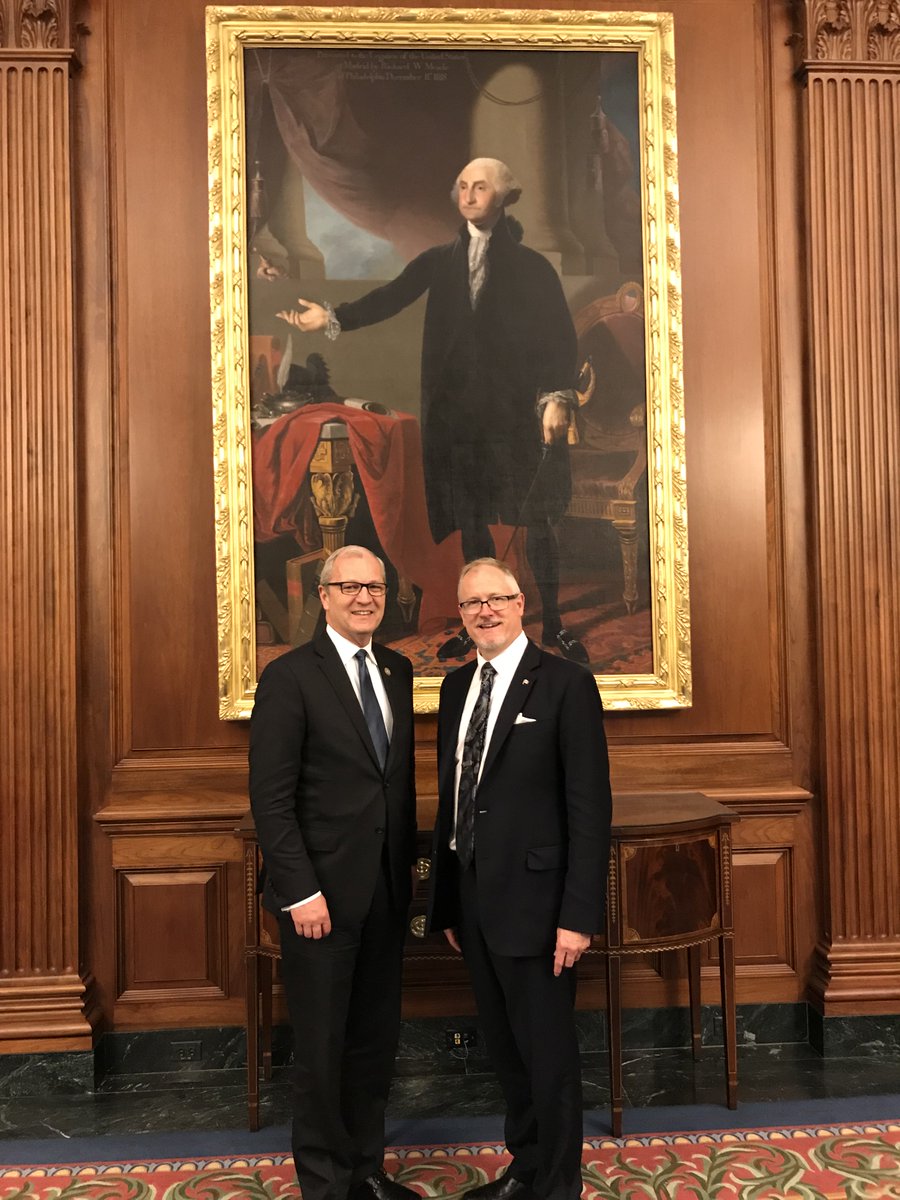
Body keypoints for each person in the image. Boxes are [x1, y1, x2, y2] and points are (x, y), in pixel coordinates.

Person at [277, 157, 589, 665]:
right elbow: (391, 296)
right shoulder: (440, 260)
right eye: (462, 186)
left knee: (537, 519)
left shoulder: (533, 268)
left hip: (516, 417)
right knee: (472, 523)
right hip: (459, 420)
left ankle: (553, 622)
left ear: (505, 196)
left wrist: (557, 397)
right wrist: (331, 317)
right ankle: (478, 622)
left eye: (480, 187)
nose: (468, 195)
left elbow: (559, 337)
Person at [426, 557, 612, 1200]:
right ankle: (526, 1169)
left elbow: (589, 808)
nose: (485, 612)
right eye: (471, 603)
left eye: (496, 599)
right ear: (461, 614)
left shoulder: (565, 684)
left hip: (541, 906)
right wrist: (449, 902)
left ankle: (558, 1186)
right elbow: (455, 797)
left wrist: (578, 916)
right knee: (505, 1050)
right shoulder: (456, 688)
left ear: (520, 603)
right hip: (474, 898)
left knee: (547, 1056)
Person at [249, 545, 417, 1200]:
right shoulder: (290, 677)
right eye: (349, 587)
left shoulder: (397, 670)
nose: (364, 598)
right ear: (323, 596)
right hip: (319, 900)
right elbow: (271, 800)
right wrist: (300, 891)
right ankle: (325, 1185)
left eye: (375, 587)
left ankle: (367, 1172)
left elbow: (392, 786)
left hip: (385, 893)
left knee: (374, 1043)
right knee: (321, 1050)